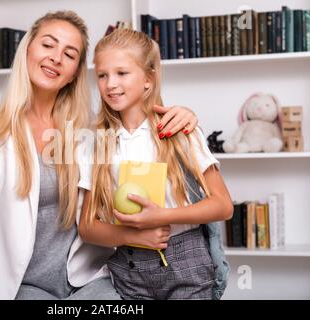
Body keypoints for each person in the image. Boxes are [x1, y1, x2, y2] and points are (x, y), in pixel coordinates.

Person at [0, 11, 199, 300]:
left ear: (73, 74)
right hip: (24, 283)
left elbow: (141, 132)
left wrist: (184, 114)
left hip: (88, 279)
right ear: (28, 49)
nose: (56, 57)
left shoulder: (90, 130)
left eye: (69, 54)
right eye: (47, 44)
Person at [78, 29, 233, 300]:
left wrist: (160, 216)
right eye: (102, 75)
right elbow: (87, 227)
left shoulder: (179, 128)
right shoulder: (96, 142)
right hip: (129, 267)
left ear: (148, 79)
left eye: (122, 73)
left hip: (187, 263)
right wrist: (131, 236)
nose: (110, 84)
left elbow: (223, 205)